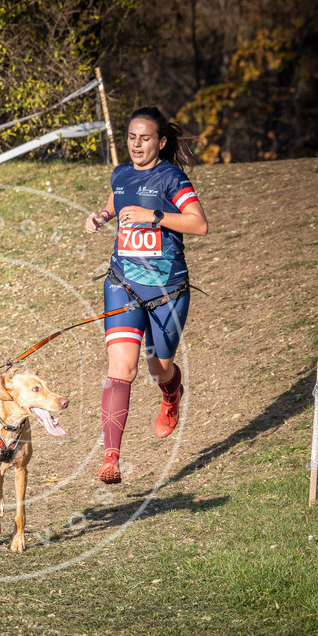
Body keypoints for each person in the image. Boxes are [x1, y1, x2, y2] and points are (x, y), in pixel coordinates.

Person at [84, 106, 209, 483]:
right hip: (122, 282)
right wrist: (101, 216)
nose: (136, 145)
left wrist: (153, 216)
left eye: (145, 138)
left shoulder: (172, 178)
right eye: (131, 138)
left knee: (159, 368)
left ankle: (171, 392)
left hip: (167, 289)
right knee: (121, 368)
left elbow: (199, 224)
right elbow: (117, 199)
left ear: (161, 141)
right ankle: (111, 458)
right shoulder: (121, 173)